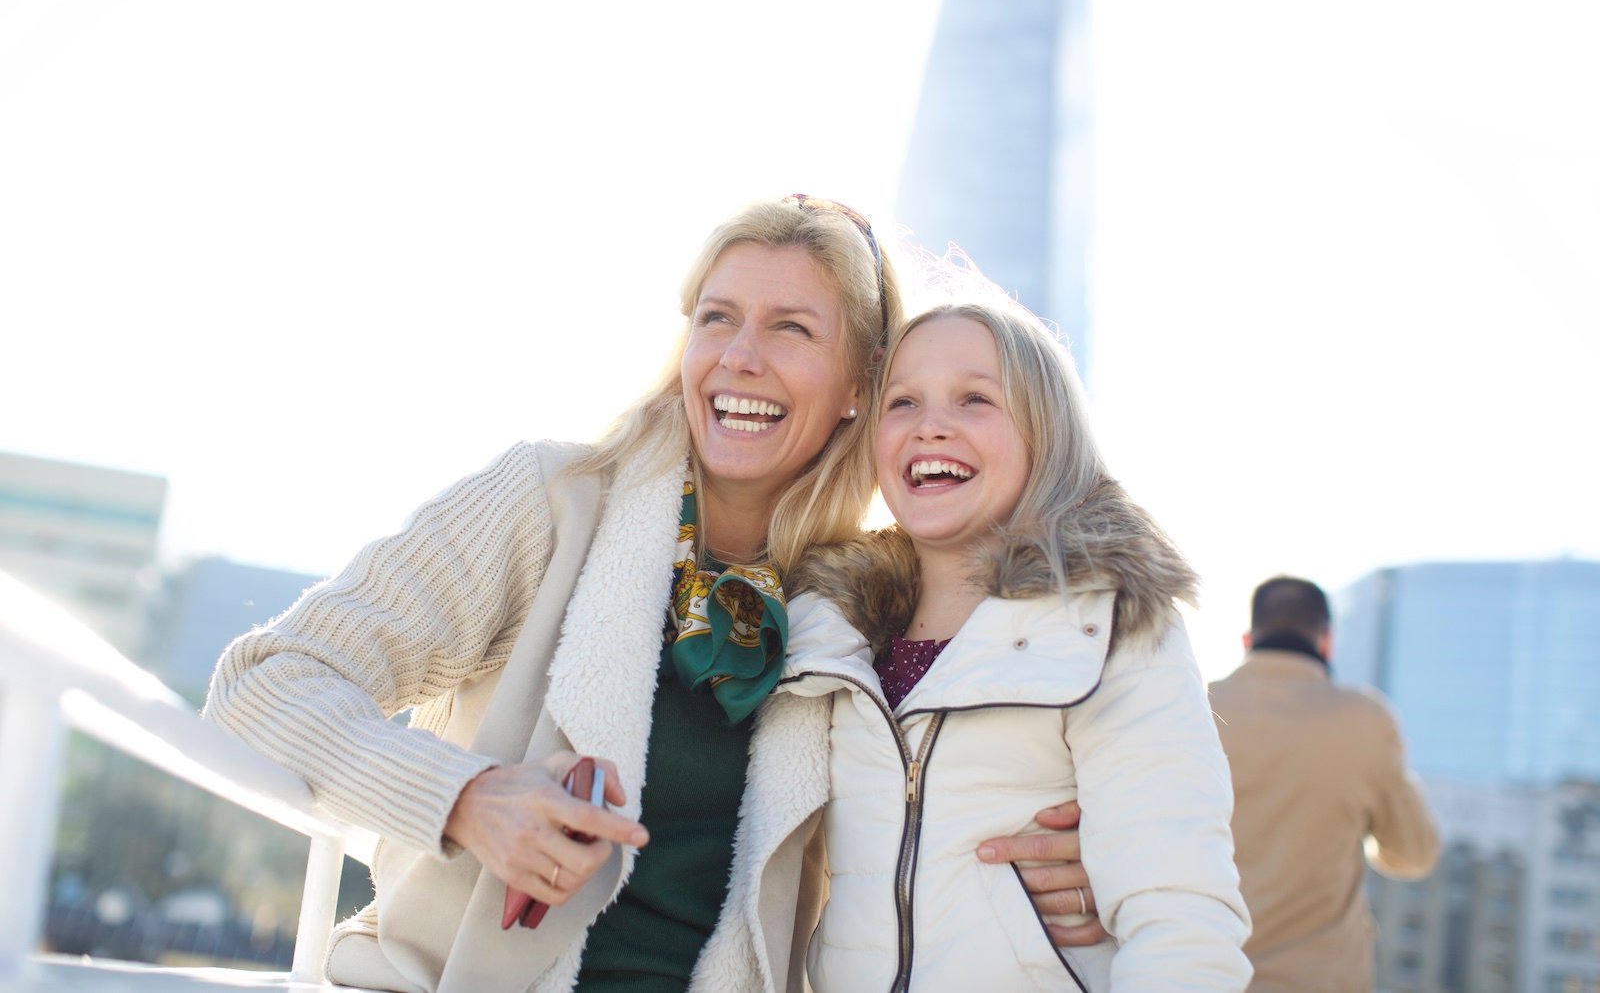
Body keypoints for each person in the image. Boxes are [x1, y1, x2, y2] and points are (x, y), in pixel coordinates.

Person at [203, 196, 1103, 993]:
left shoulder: (875, 605)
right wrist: (470, 798)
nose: (741, 358)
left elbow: (967, 796)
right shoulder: (550, 502)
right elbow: (263, 679)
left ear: (861, 386)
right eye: (718, 318)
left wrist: (1081, 859)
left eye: (791, 328)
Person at [780, 294, 1252, 991]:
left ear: (1045, 432)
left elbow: (1181, 916)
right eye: (903, 402)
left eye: (975, 399)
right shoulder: (827, 637)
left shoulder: (1106, 625)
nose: (931, 426)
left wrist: (1105, 860)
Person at [1208, 576, 1440, 992]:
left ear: (1247, 638)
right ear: (1326, 641)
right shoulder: (1364, 720)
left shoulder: (1193, 706)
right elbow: (1413, 854)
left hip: (1192, 973)